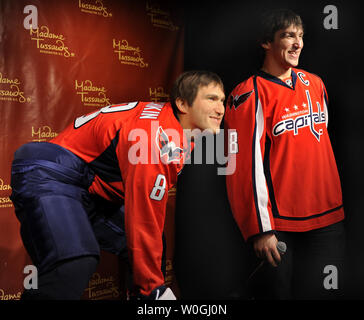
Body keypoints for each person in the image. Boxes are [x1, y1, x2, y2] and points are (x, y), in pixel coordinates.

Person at [10, 70, 225, 300]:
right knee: (74, 261)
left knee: (152, 245)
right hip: (51, 173)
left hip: (87, 188)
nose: (220, 109)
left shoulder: (179, 134)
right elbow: (144, 215)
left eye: (222, 100)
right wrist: (153, 288)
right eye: (211, 98)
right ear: (182, 103)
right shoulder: (156, 137)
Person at [224, 9, 345, 299]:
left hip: (328, 219)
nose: (298, 43)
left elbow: (319, 142)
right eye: (289, 35)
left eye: (300, 36)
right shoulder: (248, 93)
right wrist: (260, 229)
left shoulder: (315, 83)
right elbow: (241, 167)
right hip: (279, 226)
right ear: (267, 42)